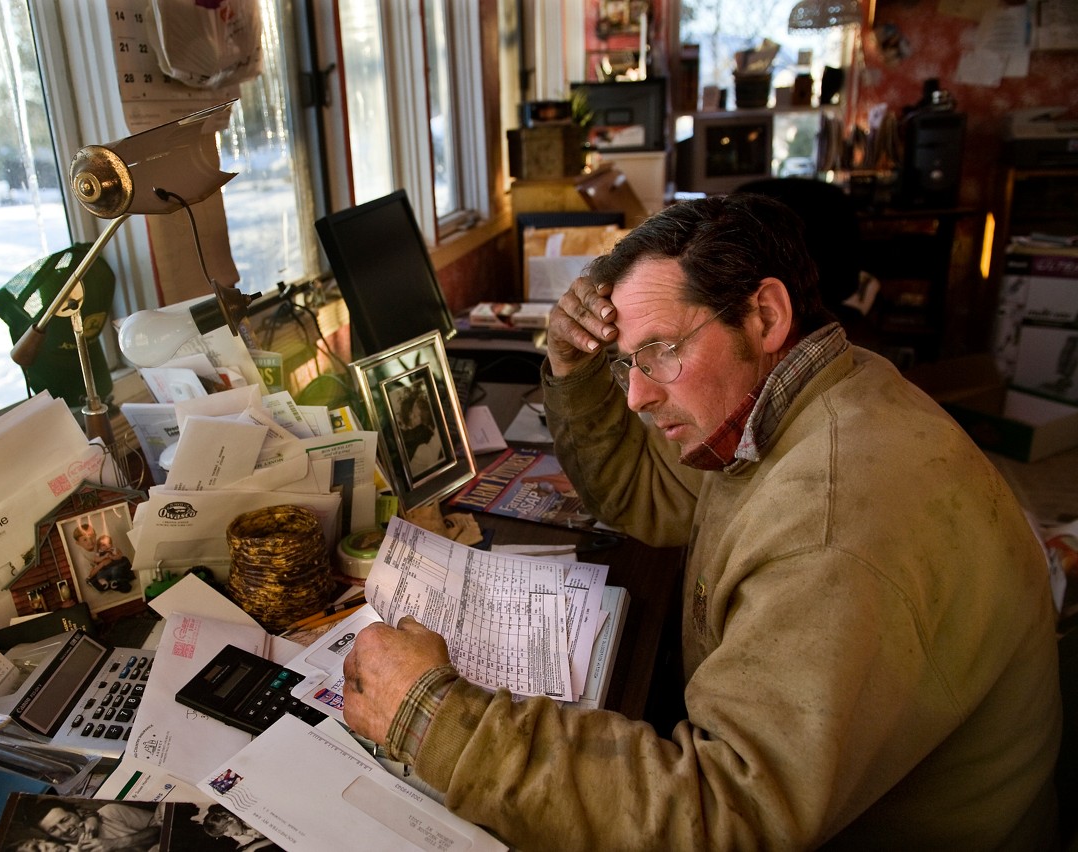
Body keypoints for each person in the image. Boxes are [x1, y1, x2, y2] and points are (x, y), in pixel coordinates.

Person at [342, 194, 1063, 850]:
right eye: (626, 363)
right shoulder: (803, 392)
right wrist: (575, 373)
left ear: (765, 315)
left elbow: (728, 817)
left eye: (660, 352)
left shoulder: (831, 524)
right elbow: (648, 499)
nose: (636, 396)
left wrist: (440, 725)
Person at [26, 798, 162, 852]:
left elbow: (162, 827)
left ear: (76, 812)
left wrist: (116, 843)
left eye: (64, 820)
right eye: (53, 829)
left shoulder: (109, 812)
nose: (65, 829)